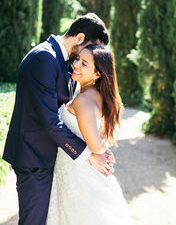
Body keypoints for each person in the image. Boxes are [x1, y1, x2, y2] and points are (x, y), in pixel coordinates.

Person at [3, 13, 115, 225]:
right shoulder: (44, 58)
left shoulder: (64, 61)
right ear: (80, 38)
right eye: (91, 47)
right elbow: (50, 120)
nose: (91, 55)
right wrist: (89, 155)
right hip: (34, 159)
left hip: (51, 159)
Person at [46, 44, 131, 225]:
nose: (76, 65)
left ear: (97, 74)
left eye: (84, 64)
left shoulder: (84, 100)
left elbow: (95, 145)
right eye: (78, 59)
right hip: (73, 169)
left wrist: (102, 152)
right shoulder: (91, 93)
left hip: (80, 174)